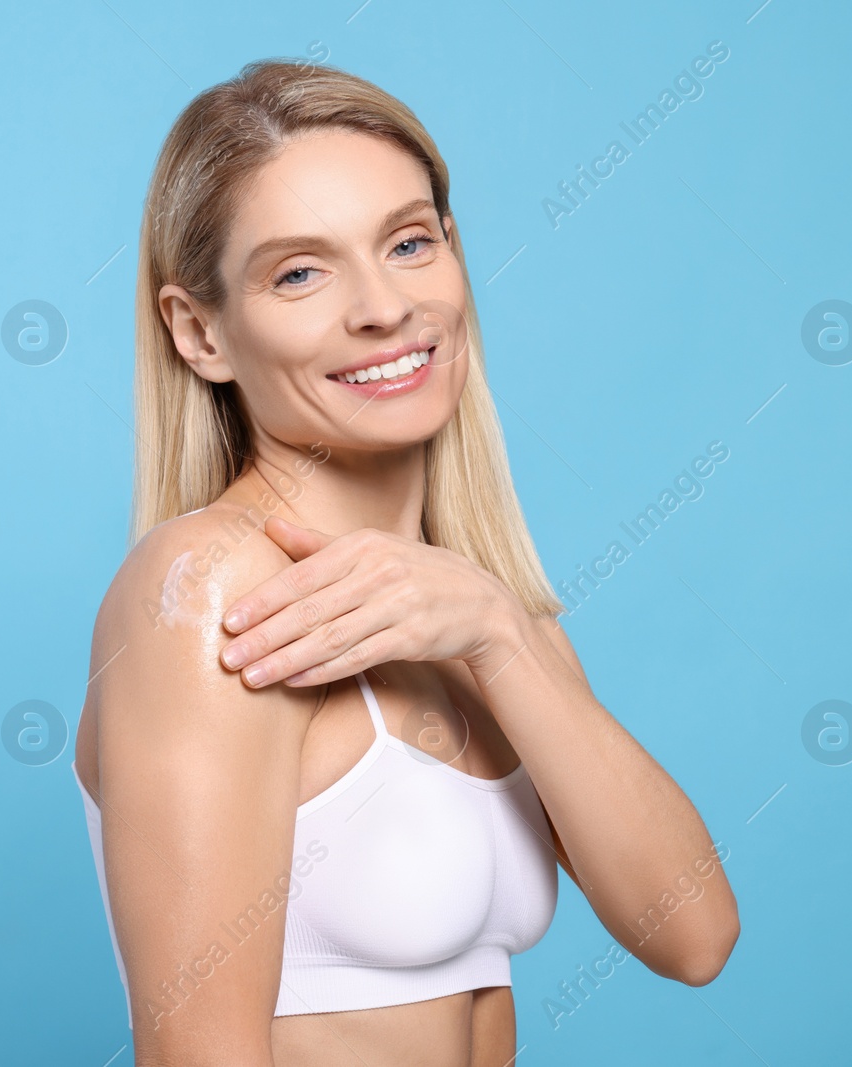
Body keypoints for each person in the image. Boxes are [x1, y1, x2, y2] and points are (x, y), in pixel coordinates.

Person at [71, 59, 738, 1066]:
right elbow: (198, 1053)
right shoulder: (214, 590)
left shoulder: (476, 609)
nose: (383, 307)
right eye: (300, 271)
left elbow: (692, 934)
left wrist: (498, 629)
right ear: (200, 330)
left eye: (409, 241)